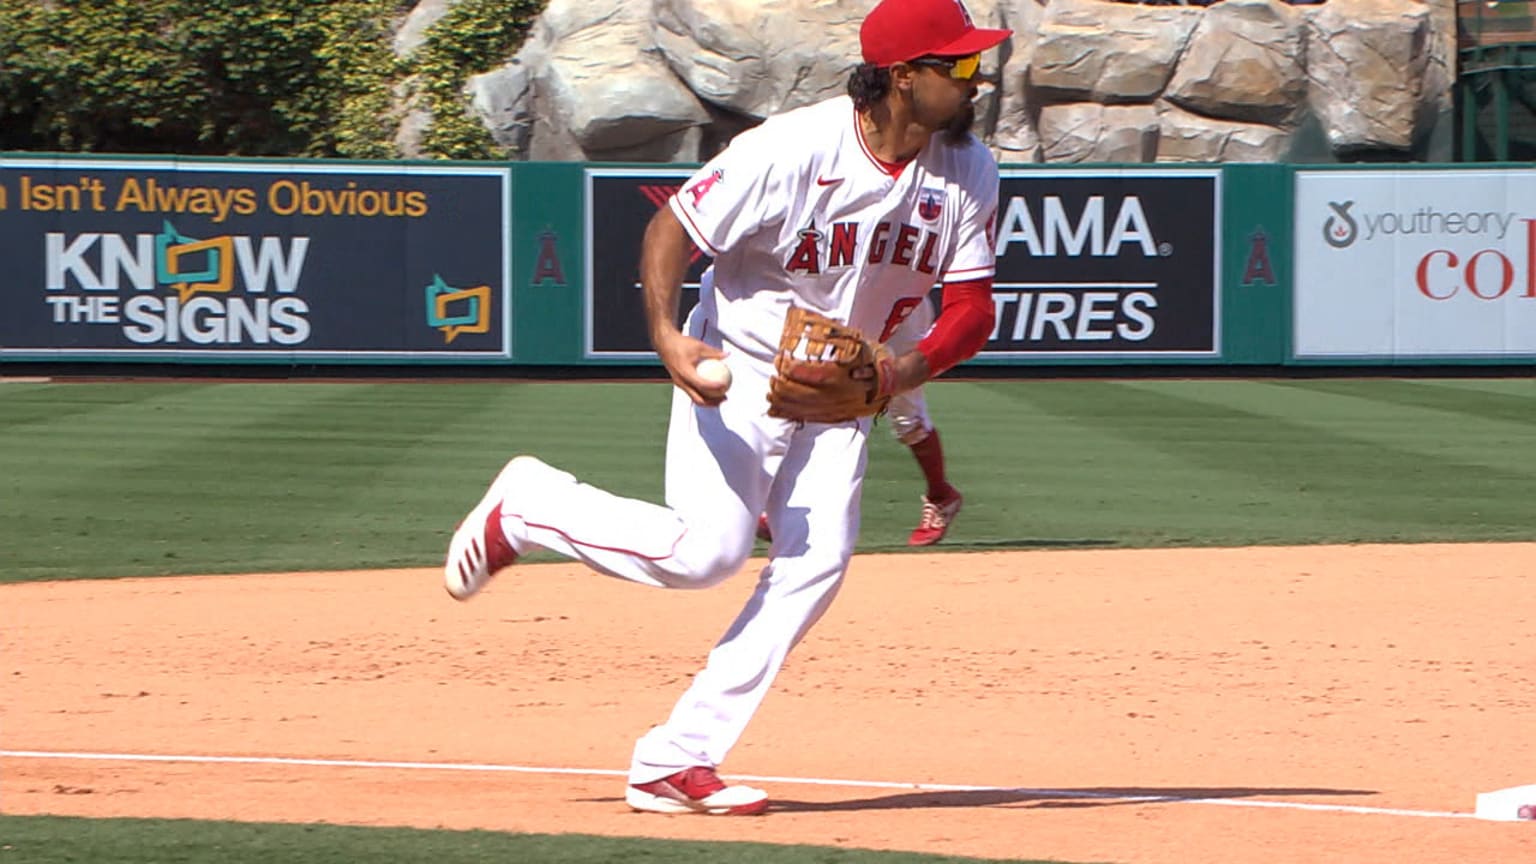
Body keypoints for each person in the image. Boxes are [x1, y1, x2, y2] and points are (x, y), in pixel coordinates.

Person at [443, 0, 1008, 816]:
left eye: (973, 62)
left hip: (844, 385)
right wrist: (670, 338)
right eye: (955, 66)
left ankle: (676, 760)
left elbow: (973, 309)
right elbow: (674, 228)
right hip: (740, 366)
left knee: (815, 567)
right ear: (901, 76)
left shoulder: (969, 168)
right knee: (704, 555)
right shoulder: (792, 148)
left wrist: (900, 372)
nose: (973, 77)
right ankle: (530, 508)